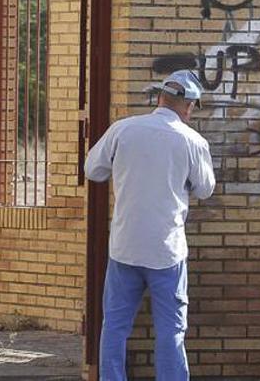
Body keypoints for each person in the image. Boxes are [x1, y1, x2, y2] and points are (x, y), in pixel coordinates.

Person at [84, 69, 216, 381]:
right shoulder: (192, 141)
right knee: (171, 329)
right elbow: (205, 189)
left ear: (159, 97)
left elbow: (93, 169)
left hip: (125, 247)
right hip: (166, 251)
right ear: (188, 106)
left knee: (114, 327)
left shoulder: (123, 129)